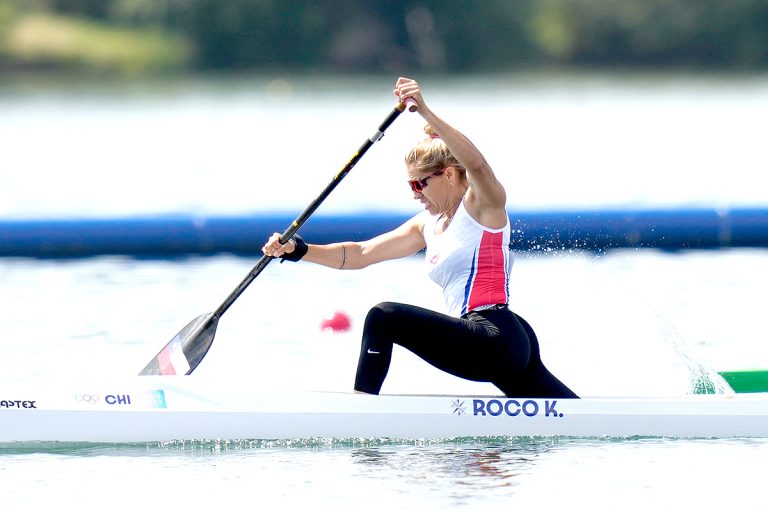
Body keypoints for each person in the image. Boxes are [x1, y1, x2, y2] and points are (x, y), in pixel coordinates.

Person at [262, 77, 578, 399]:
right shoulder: (426, 225)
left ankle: (361, 410)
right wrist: (297, 250)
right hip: (497, 340)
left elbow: (478, 166)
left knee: (383, 317)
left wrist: (424, 111)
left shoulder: (483, 207)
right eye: (410, 186)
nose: (415, 195)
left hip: (493, 336)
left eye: (419, 184)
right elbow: (360, 253)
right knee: (570, 415)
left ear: (450, 175)